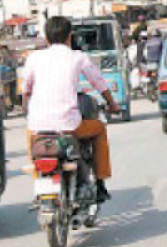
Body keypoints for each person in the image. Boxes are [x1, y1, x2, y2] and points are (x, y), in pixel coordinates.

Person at [23, 16, 120, 202]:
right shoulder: (78, 57)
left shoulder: (33, 58)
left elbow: (25, 90)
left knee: (34, 144)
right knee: (99, 128)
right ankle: (100, 182)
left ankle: (39, 183)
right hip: (68, 125)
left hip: (38, 126)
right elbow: (98, 82)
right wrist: (112, 104)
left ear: (46, 38)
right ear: (69, 36)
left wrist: (26, 108)